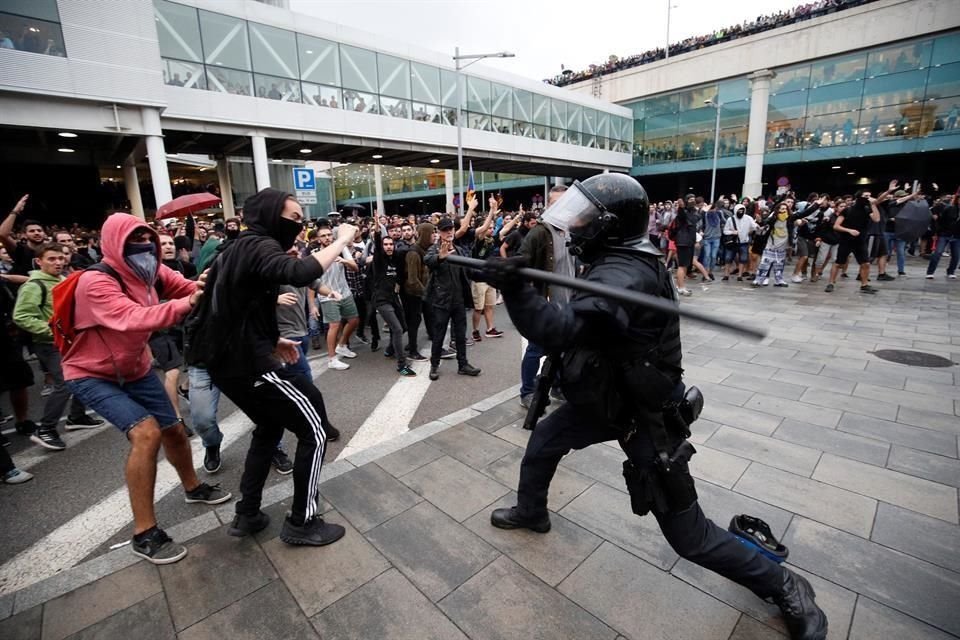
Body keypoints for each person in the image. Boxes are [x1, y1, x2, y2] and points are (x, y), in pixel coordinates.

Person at [483, 173, 827, 640]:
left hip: (643, 416)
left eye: (585, 219)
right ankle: (531, 511)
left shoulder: (625, 274)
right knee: (545, 442)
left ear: (610, 224)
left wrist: (515, 290)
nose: (577, 227)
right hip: (605, 398)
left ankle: (785, 584)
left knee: (690, 537)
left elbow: (558, 329)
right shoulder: (619, 256)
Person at [188, 188, 353, 546]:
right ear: (267, 215)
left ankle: (248, 513)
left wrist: (271, 340)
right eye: (293, 219)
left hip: (233, 362)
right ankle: (302, 522)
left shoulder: (236, 249)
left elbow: (237, 307)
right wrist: (343, 239)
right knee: (316, 430)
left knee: (268, 427)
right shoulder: (259, 244)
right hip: (248, 366)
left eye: (299, 219)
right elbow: (300, 270)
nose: (297, 226)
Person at [64, 213, 231, 565]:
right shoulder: (96, 281)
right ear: (113, 244)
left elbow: (188, 287)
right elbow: (133, 317)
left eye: (148, 241)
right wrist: (188, 302)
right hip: (90, 374)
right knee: (146, 434)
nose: (144, 248)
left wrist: (209, 283)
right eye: (133, 242)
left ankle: (192, 487)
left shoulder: (150, 270)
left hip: (135, 368)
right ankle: (144, 532)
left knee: (174, 430)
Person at [13, 243, 104, 450]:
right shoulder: (35, 285)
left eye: (61, 258)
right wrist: (53, 331)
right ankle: (46, 429)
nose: (58, 262)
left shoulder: (61, 280)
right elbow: (22, 316)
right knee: (65, 384)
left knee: (84, 377)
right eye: (52, 259)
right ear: (39, 261)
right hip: (49, 344)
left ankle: (77, 416)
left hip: (70, 341)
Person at [518, 185, 576, 407]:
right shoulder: (540, 232)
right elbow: (521, 261)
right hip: (546, 303)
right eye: (557, 203)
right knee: (535, 348)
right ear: (549, 205)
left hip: (568, 303)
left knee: (562, 348)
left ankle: (557, 386)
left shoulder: (572, 229)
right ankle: (527, 391)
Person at [424, 213, 482, 381]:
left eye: (451, 229)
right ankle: (434, 365)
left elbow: (470, 270)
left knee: (461, 334)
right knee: (439, 335)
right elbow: (428, 260)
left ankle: (463, 364)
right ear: (439, 232)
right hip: (441, 301)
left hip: (458, 300)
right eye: (445, 230)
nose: (449, 232)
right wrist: (440, 257)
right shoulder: (434, 249)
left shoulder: (459, 250)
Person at [368, 222, 416, 376]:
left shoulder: (397, 258)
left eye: (391, 244)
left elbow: (409, 253)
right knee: (396, 329)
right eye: (386, 244)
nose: (388, 246)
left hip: (393, 298)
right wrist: (377, 233)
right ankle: (402, 365)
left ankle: (389, 350)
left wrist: (398, 284)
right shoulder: (379, 259)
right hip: (381, 300)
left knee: (403, 326)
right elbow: (377, 247)